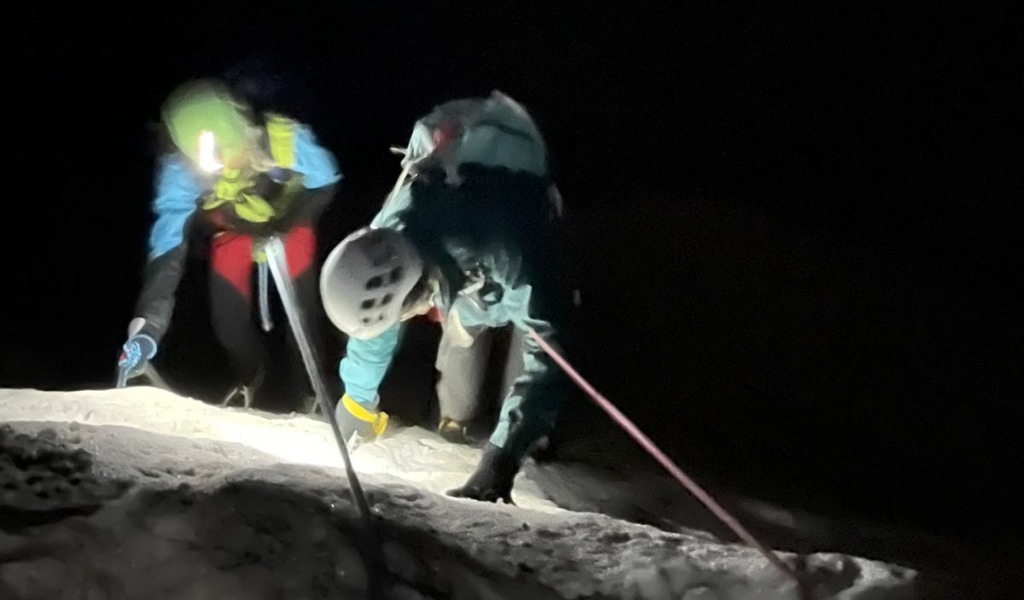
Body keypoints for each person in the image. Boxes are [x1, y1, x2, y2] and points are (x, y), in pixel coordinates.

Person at [319, 91, 574, 503]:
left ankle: (521, 445)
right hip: (461, 272)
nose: (410, 318)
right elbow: (375, 326)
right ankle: (460, 418)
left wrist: (500, 462)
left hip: (510, 250)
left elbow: (551, 352)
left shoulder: (513, 245)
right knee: (464, 335)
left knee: (529, 353)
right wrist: (357, 400)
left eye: (409, 310)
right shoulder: (386, 235)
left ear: (418, 288)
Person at [117, 73, 342, 410]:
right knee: (228, 322)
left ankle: (310, 390)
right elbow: (167, 246)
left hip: (288, 219)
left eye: (232, 155)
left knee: (302, 316)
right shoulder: (181, 170)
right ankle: (250, 379)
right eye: (213, 166)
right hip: (235, 230)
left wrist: (284, 224)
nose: (225, 168)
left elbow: (326, 178)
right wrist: (147, 328)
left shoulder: (282, 139)